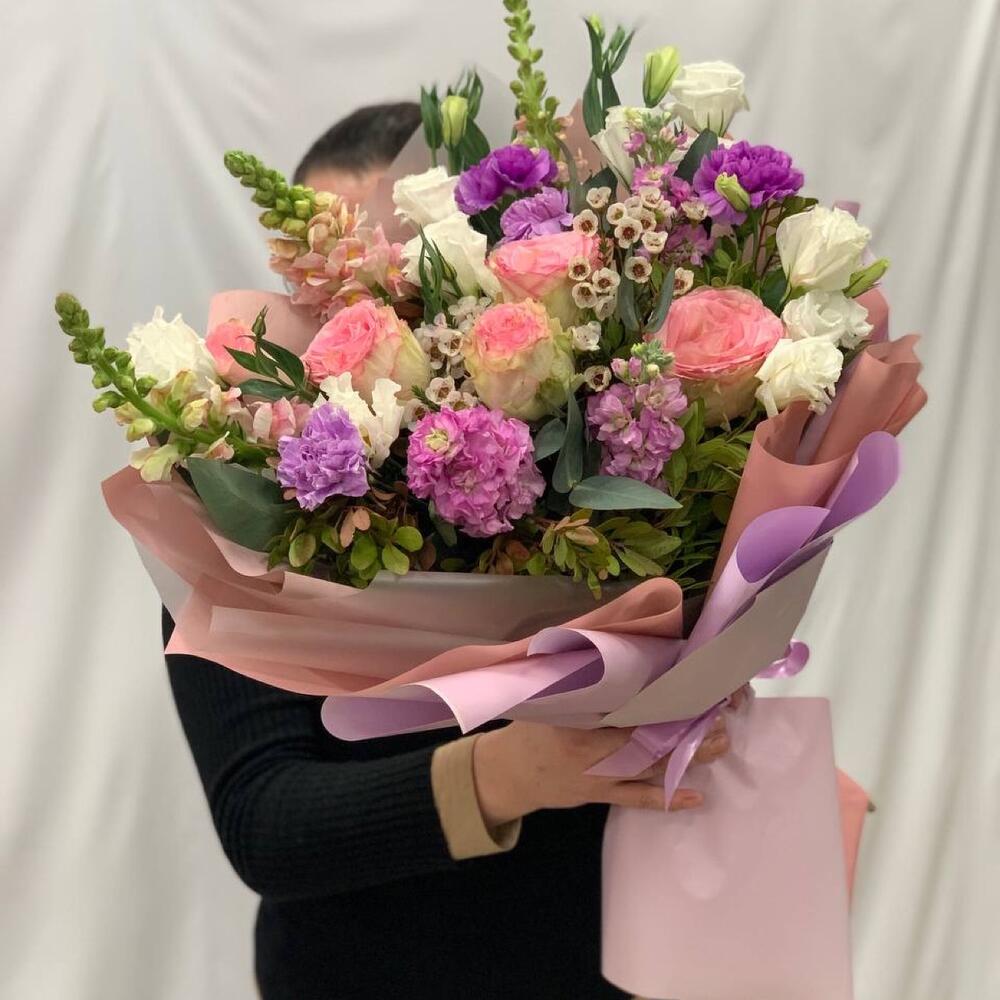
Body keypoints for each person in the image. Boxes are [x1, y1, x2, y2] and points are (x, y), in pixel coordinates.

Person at [165, 102, 733, 1000]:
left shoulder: (599, 449)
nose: (375, 301)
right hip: (359, 973)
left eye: (407, 259)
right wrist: (512, 772)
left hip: (607, 957)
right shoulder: (242, 500)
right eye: (331, 274)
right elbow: (263, 820)